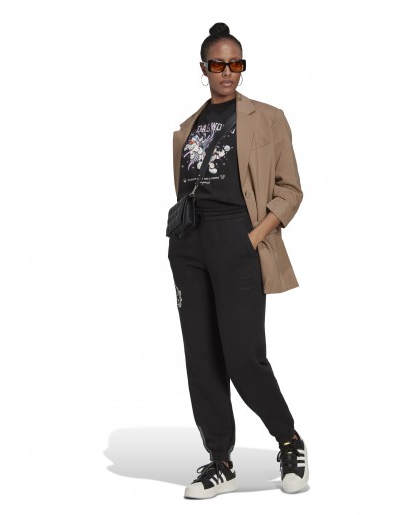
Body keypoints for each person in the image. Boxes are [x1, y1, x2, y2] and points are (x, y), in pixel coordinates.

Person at [167, 22, 308, 499]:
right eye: (218, 64)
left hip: (237, 237)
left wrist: (252, 237)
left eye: (236, 64)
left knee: (244, 356)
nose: (228, 72)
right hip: (189, 244)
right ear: (203, 68)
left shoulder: (268, 118)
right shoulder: (185, 129)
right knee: (201, 357)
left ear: (242, 67)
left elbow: (290, 189)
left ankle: (289, 441)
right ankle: (220, 462)